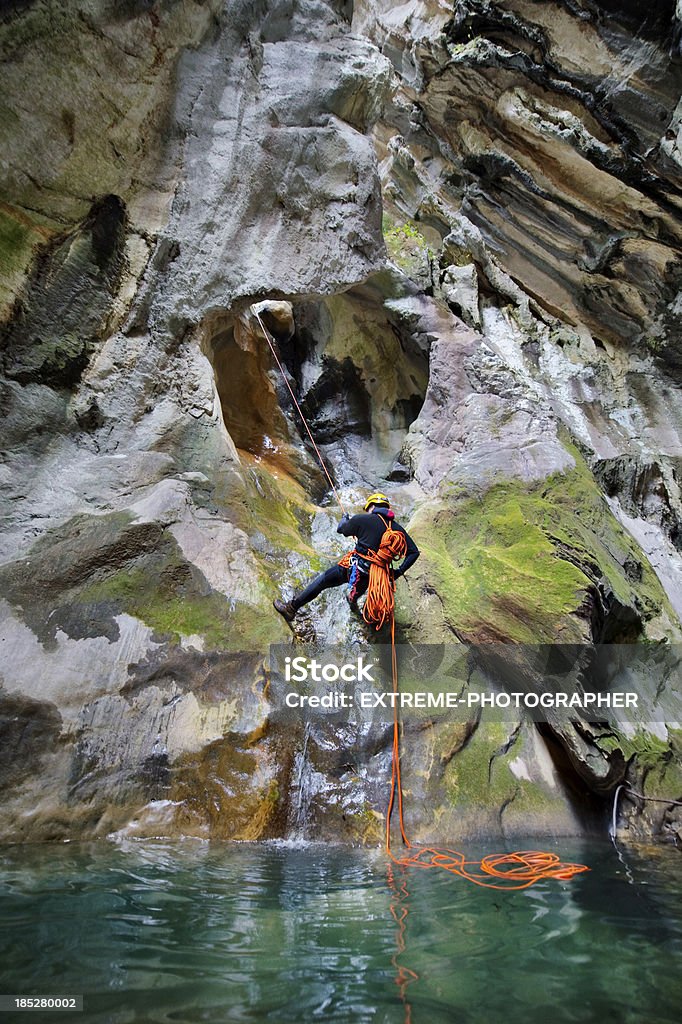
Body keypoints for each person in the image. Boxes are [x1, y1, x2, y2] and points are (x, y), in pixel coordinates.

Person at [273, 492, 420, 621]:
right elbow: (414, 553)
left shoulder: (362, 519)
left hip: (353, 568)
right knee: (361, 585)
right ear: (387, 508)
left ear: (372, 507)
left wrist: (345, 519)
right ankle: (353, 600)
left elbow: (341, 529)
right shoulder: (397, 529)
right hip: (374, 576)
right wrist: (398, 572)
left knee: (322, 581)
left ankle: (291, 608)